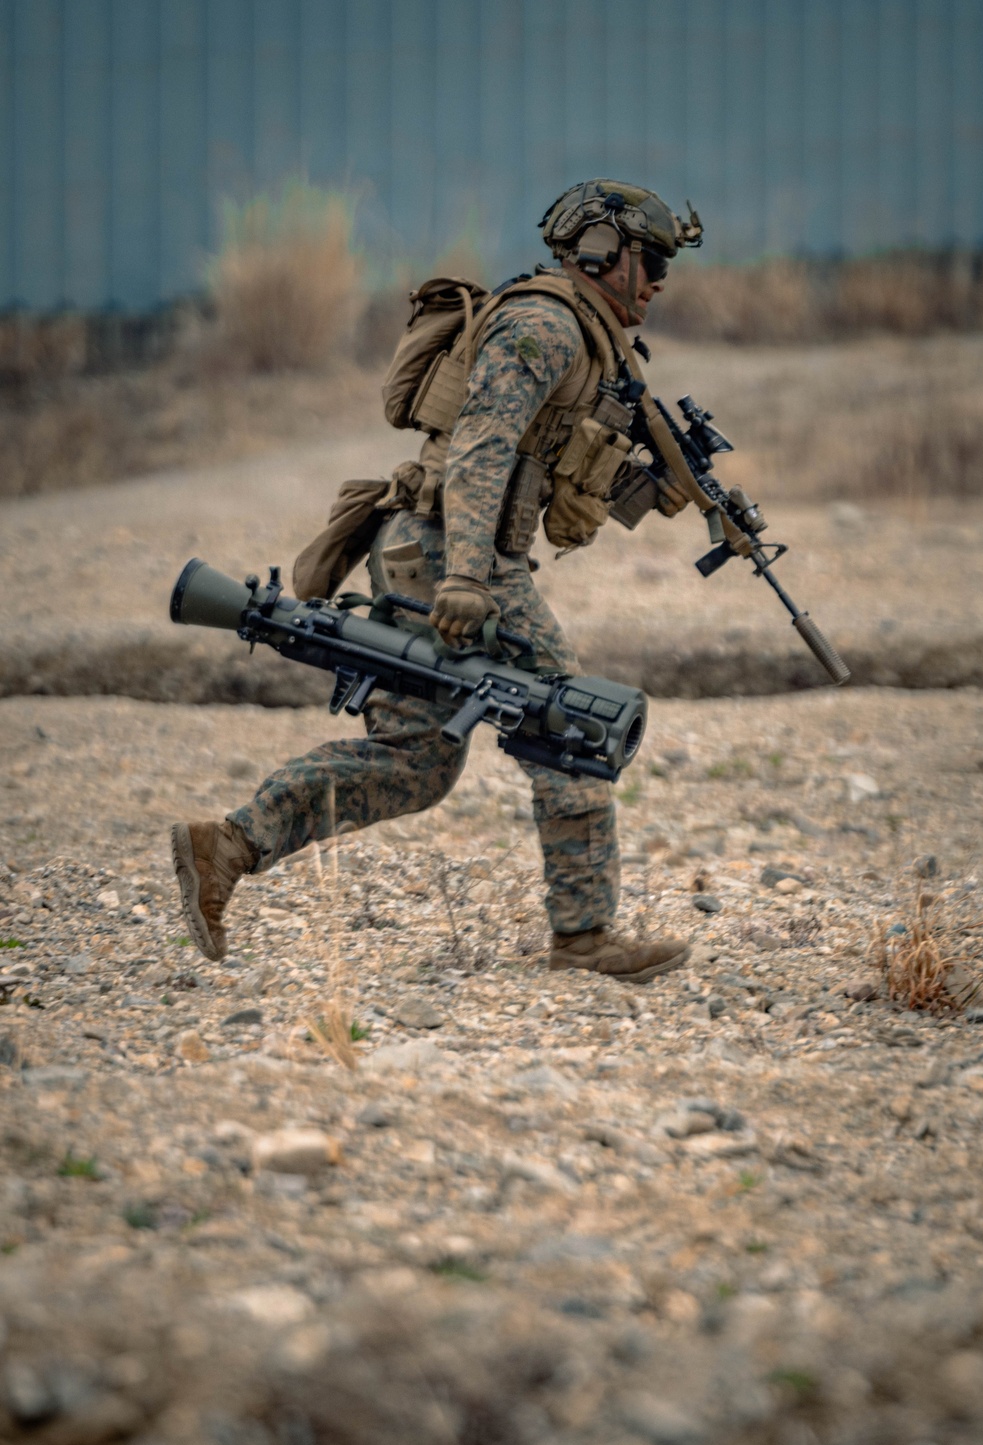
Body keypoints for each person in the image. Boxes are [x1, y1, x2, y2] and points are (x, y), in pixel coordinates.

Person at [171, 181, 704, 983]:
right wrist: (465, 579)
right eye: (652, 258)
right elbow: (482, 447)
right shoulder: (542, 326)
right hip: (457, 554)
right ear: (601, 251)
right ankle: (586, 938)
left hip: (447, 550)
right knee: (575, 722)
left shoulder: (586, 335)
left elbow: (546, 457)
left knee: (416, 760)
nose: (660, 279)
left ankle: (228, 845)